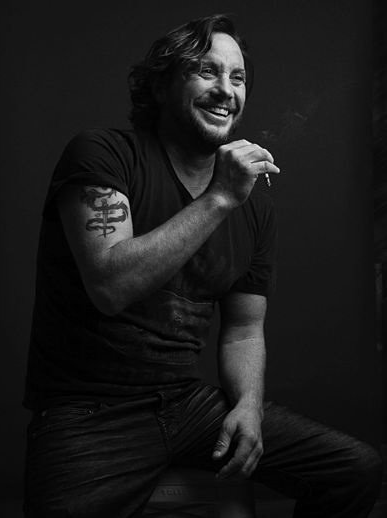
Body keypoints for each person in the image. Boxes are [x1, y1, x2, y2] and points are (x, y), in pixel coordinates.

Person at [23, 14, 382, 518]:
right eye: (206, 72)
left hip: (185, 406)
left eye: (237, 78)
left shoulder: (253, 204)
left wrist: (248, 406)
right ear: (161, 84)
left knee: (354, 469)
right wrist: (219, 198)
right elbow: (110, 285)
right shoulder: (103, 155)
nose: (225, 91)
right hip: (88, 412)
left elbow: (243, 330)